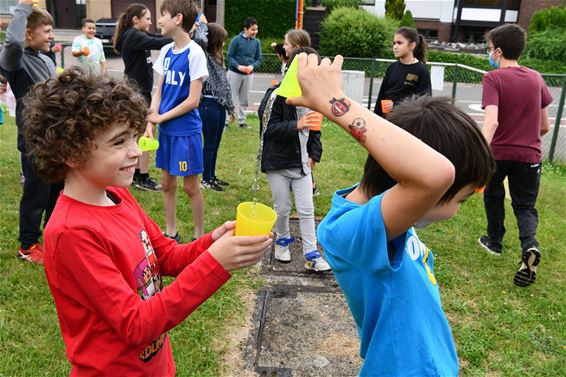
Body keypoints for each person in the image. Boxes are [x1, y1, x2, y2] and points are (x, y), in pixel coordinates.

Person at [23, 68, 271, 375]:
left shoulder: (116, 194)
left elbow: (165, 255)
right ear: (71, 153)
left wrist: (212, 242)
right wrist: (214, 264)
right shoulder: (71, 232)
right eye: (119, 142)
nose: (135, 152)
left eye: (135, 137)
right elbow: (136, 324)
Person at [287, 53, 494, 374]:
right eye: (462, 199)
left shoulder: (387, 210)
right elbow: (436, 174)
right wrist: (336, 103)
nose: (457, 211)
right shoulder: (348, 233)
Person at [478, 24, 552, 287]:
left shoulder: (493, 78)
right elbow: (544, 126)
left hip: (498, 153)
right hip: (529, 155)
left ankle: (494, 241)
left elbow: (491, 122)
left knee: (493, 193)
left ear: (498, 51)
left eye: (489, 50)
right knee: (524, 206)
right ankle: (530, 246)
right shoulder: (536, 78)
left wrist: (481, 149)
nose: (489, 55)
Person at [0, 0, 63, 264]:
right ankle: (27, 245)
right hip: (34, 139)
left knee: (56, 190)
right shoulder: (17, 60)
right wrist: (23, 9)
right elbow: (12, 43)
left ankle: (51, 238)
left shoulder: (45, 59)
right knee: (36, 194)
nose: (51, 36)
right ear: (29, 34)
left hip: (55, 138)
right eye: (47, 31)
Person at [260, 47, 330, 272]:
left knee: (307, 209)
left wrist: (314, 155)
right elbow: (267, 130)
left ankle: (312, 254)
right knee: (282, 208)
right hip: (278, 163)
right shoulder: (276, 95)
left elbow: (316, 130)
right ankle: (282, 241)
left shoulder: (313, 97)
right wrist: (296, 125)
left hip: (302, 164)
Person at [147, 0, 208, 242]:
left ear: (178, 19)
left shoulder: (195, 53)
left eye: (163, 15)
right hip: (166, 130)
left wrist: (161, 117)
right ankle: (171, 232)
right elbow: (158, 90)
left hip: (186, 132)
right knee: (166, 183)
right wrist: (151, 119)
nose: (159, 20)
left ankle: (199, 235)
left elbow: (193, 100)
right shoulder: (165, 51)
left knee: (190, 187)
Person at [114, 3, 172, 192]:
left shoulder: (134, 34)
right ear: (135, 20)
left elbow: (156, 36)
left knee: (139, 132)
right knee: (147, 131)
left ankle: (137, 172)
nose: (151, 22)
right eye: (147, 18)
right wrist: (178, 36)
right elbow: (159, 41)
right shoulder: (132, 35)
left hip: (139, 89)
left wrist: (171, 33)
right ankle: (142, 176)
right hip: (137, 90)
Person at [194, 21, 236, 192]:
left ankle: (212, 176)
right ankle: (206, 179)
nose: (224, 43)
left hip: (218, 105)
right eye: (222, 40)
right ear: (215, 40)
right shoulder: (203, 55)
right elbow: (199, 38)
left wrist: (230, 108)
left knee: (215, 144)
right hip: (208, 105)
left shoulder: (217, 58)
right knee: (210, 144)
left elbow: (225, 85)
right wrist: (203, 24)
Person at [373, 27, 431, 117]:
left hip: (406, 121)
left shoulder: (421, 70)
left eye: (399, 43)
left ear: (412, 45)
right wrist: (376, 116)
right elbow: (382, 94)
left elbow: (424, 103)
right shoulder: (392, 67)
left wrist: (396, 106)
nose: (395, 47)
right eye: (394, 43)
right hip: (386, 120)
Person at [227, 16, 262, 128]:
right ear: (246, 29)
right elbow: (229, 56)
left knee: (244, 99)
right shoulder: (236, 40)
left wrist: (252, 66)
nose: (255, 32)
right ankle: (226, 121)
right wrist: (238, 66)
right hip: (234, 73)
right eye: (253, 29)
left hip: (249, 75)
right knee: (231, 97)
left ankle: (242, 122)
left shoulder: (257, 42)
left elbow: (259, 59)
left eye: (256, 29)